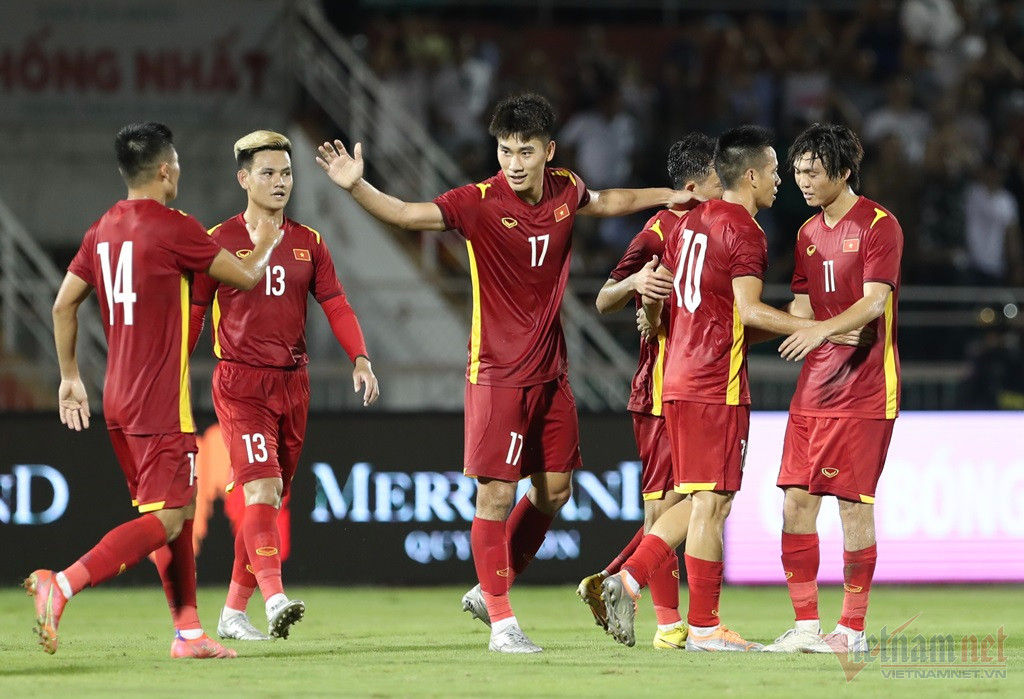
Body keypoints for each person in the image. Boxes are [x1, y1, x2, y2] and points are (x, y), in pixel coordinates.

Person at [316, 93, 700, 653]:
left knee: (555, 491)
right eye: (504, 151)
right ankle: (502, 624)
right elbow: (405, 213)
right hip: (497, 374)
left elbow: (606, 200)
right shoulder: (477, 203)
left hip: (551, 371)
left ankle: (488, 590)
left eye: (524, 151)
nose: (513, 163)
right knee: (495, 498)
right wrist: (356, 186)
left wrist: (667, 196)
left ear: (549, 151)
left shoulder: (566, 189)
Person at [29, 121, 284, 658]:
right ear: (165, 170)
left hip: (117, 400)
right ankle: (64, 584)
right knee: (167, 519)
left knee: (179, 514)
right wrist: (264, 245)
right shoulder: (175, 226)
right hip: (159, 402)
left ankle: (188, 633)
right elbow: (244, 277)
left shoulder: (102, 228)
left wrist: (70, 377)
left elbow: (62, 304)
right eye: (178, 164)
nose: (180, 172)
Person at [600, 125, 829, 651]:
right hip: (714, 383)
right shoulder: (745, 231)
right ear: (750, 175)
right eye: (773, 170)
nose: (779, 180)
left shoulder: (686, 224)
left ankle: (642, 586)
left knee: (701, 498)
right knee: (714, 502)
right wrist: (818, 327)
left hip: (676, 379)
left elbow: (680, 301)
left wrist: (649, 311)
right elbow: (747, 311)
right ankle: (688, 617)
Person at [187, 130, 380, 642]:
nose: (280, 182)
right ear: (243, 178)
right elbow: (196, 311)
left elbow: (335, 303)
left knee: (267, 501)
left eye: (287, 173)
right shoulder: (218, 240)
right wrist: (172, 369)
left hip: (293, 385)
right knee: (262, 488)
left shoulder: (308, 242)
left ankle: (232, 613)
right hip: (240, 383)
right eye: (268, 172)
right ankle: (275, 599)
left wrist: (360, 357)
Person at [575, 133, 722, 650]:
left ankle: (619, 582)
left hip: (702, 384)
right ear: (692, 186)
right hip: (661, 386)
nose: (725, 185)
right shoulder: (660, 230)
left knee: (699, 500)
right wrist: (635, 284)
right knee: (669, 508)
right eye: (717, 177)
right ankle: (666, 622)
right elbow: (603, 299)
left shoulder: (722, 227)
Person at [763, 123, 903, 654]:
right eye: (797, 171)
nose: (802, 181)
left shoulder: (879, 225)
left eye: (813, 172)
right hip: (814, 387)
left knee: (852, 504)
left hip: (865, 387)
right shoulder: (806, 232)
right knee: (796, 502)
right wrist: (746, 325)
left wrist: (822, 329)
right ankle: (805, 628)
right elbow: (802, 307)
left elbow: (875, 302)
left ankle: (852, 631)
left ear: (843, 172)